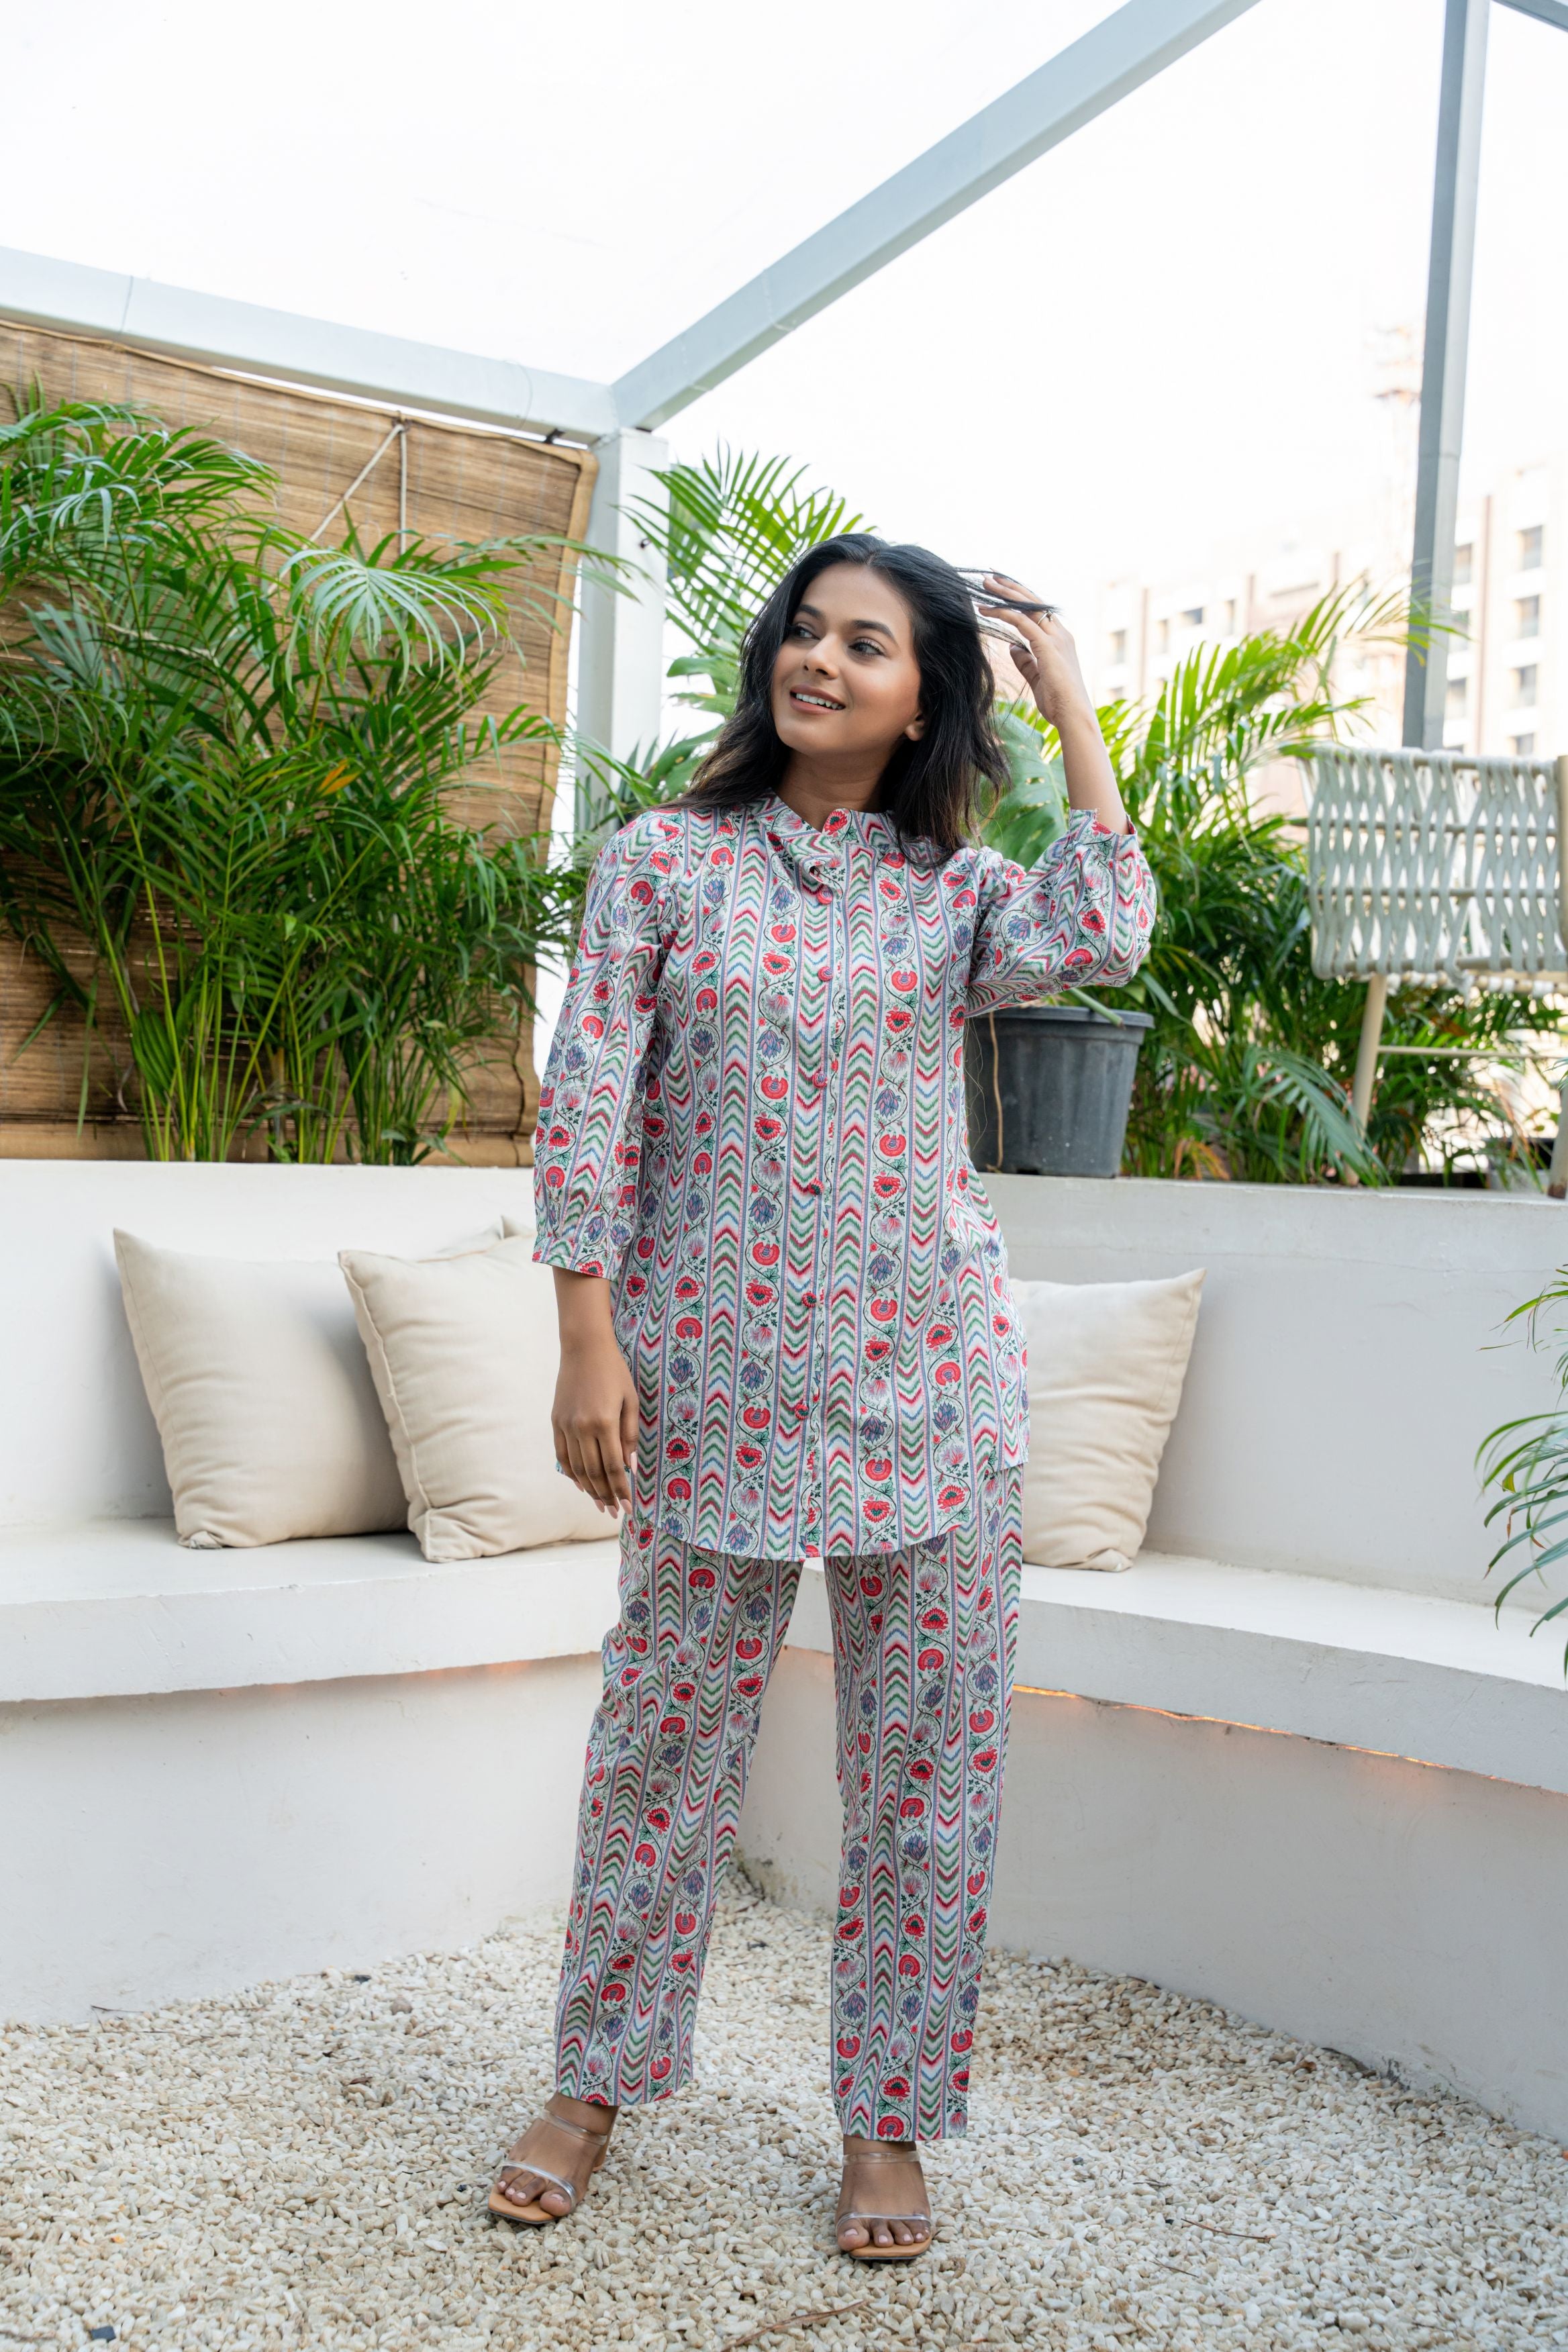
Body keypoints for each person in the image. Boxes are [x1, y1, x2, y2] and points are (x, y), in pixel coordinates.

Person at [491, 539, 1155, 2259]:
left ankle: (885, 2122)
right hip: (703, 1385)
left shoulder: (961, 896)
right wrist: (585, 1334)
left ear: (929, 692)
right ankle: (594, 2084)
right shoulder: (662, 864)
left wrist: (1067, 689)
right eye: (804, 626)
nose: (819, 657)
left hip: (931, 1396)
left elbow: (1110, 922)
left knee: (927, 1776)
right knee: (657, 1760)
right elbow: (588, 1107)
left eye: (866, 643)